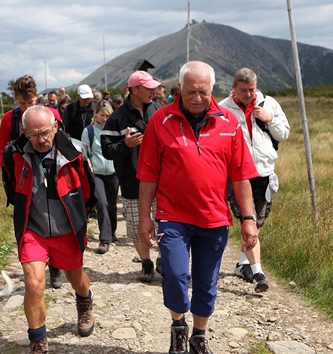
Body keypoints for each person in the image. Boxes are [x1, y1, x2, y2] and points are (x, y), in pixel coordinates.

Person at [137, 61, 260, 354]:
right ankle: (178, 326)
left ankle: (199, 336)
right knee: (176, 276)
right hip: (173, 218)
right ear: (180, 88)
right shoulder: (161, 121)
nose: (196, 97)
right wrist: (144, 218)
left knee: (206, 283)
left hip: (214, 219)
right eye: (190, 91)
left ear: (212, 89)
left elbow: (241, 176)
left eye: (203, 92)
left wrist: (248, 218)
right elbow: (147, 174)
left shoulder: (229, 123)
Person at [11, 105, 97, 353]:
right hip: (33, 230)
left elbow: (88, 192)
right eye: (33, 134)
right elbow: (12, 187)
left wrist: (80, 219)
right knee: (34, 283)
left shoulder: (75, 152)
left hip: (67, 230)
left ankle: (84, 300)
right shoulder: (14, 153)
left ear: (56, 127)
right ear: (24, 131)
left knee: (76, 278)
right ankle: (38, 340)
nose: (40, 139)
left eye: (45, 133)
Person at [218, 67, 290, 292]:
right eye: (244, 90)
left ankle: (242, 263)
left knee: (257, 222)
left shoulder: (270, 104)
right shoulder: (223, 109)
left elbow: (284, 134)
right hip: (238, 175)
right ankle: (258, 272)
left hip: (265, 172)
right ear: (234, 88)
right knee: (247, 220)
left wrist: (269, 120)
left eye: (252, 89)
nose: (249, 94)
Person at [0, 75, 65, 290]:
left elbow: (64, 145)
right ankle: (36, 264)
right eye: (22, 104)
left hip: (50, 174)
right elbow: (2, 150)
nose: (27, 108)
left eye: (31, 103)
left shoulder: (51, 115)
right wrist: (10, 176)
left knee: (53, 218)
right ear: (15, 100)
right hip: (23, 178)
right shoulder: (10, 119)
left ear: (38, 97)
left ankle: (56, 266)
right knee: (29, 221)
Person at [101, 70, 163, 283]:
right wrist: (125, 145)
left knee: (166, 223)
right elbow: (107, 150)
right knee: (137, 225)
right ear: (134, 89)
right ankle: (146, 262)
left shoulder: (159, 111)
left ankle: (165, 259)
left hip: (162, 181)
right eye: (148, 88)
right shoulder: (117, 118)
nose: (153, 91)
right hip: (132, 183)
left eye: (154, 87)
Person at [81, 100, 119, 254]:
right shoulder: (88, 131)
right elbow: (84, 153)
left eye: (108, 116)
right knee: (101, 204)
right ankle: (105, 240)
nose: (105, 119)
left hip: (113, 172)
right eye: (102, 115)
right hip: (96, 173)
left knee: (111, 205)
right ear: (95, 114)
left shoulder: (113, 130)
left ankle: (112, 232)